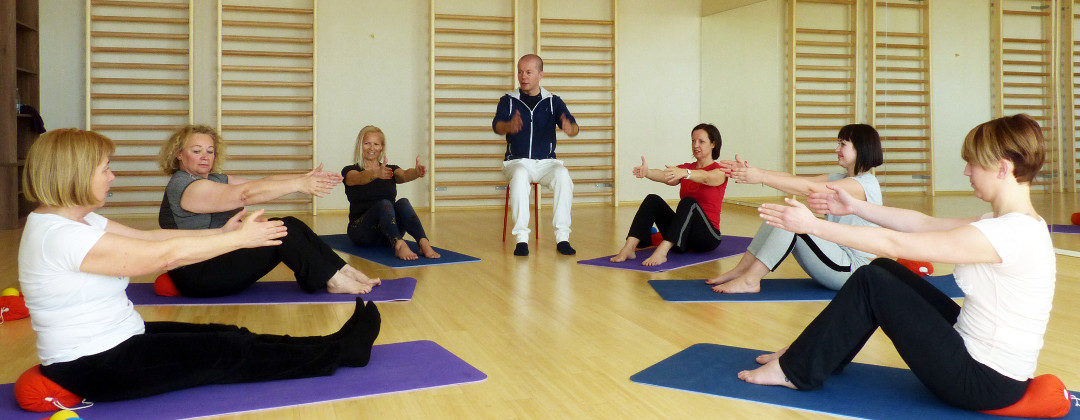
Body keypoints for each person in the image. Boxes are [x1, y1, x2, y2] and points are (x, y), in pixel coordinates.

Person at [19, 129, 381, 402]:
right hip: (95, 365)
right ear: (74, 174)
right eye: (105, 169)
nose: (112, 177)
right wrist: (237, 240)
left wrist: (223, 233)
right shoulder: (60, 235)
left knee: (229, 335)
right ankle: (341, 353)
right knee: (227, 353)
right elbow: (163, 258)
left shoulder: (76, 221)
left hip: (122, 340)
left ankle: (333, 342)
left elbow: (152, 239)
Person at [740, 115, 1054, 412]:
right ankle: (820, 354)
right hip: (981, 356)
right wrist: (857, 207)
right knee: (883, 270)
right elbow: (922, 223)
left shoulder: (1008, 233)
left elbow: (895, 243)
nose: (966, 172)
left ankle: (796, 370)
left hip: (982, 381)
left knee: (871, 282)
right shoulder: (1010, 223)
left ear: (1002, 168)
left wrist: (813, 226)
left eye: (972, 163)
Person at [157, 124, 379, 297]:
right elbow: (245, 194)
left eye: (210, 151)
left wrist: (303, 179)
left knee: (290, 223)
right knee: (284, 230)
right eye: (196, 151)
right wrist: (298, 186)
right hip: (198, 275)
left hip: (216, 258)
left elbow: (262, 182)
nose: (205, 157)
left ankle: (343, 271)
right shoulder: (185, 185)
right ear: (178, 154)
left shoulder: (213, 178)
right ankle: (334, 280)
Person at [708, 124, 883, 293]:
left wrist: (760, 177)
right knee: (779, 215)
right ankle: (741, 271)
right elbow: (794, 179)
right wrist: (752, 171)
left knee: (792, 221)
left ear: (860, 148)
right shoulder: (840, 178)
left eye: (843, 144)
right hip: (835, 258)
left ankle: (750, 281)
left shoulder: (864, 185)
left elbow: (809, 188)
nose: (836, 149)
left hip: (853, 271)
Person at [492, 54, 580, 257]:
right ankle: (522, 240)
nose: (523, 76)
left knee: (562, 174)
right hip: (516, 162)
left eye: (529, 72)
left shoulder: (553, 102)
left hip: (546, 163)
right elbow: (497, 126)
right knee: (521, 173)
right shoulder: (508, 101)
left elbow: (574, 127)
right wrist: (509, 126)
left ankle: (563, 238)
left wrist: (569, 128)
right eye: (520, 72)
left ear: (540, 75)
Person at [610, 124, 729, 266]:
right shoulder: (687, 167)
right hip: (683, 236)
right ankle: (628, 248)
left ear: (713, 144)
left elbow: (707, 178)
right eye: (693, 141)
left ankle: (662, 252)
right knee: (652, 199)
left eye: (701, 141)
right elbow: (665, 176)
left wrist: (686, 173)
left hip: (706, 238)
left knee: (688, 202)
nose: (695, 145)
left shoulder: (720, 170)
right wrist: (647, 172)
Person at [342, 125, 439, 260]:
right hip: (362, 232)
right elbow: (357, 178)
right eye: (367, 143)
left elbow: (404, 175)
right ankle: (399, 246)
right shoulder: (350, 170)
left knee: (403, 202)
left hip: (388, 233)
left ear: (381, 147)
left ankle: (423, 242)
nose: (371, 148)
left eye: (376, 144)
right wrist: (376, 173)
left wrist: (416, 172)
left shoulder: (390, 170)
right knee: (384, 204)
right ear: (360, 145)